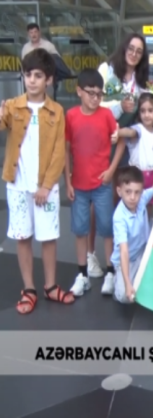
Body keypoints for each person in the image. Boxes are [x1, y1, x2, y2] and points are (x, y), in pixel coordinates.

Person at [0, 49, 73, 314]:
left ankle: (51, 286)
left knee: (49, 237)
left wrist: (46, 185)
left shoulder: (56, 111)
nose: (32, 80)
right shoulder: (13, 106)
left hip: (47, 187)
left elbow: (57, 152)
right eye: (28, 74)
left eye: (38, 75)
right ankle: (29, 288)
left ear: (49, 80)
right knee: (22, 237)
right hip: (18, 185)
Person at [90, 33, 150, 269]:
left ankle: (116, 251)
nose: (134, 53)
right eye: (131, 48)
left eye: (139, 51)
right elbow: (94, 102)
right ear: (124, 47)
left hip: (124, 143)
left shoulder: (140, 80)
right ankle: (90, 253)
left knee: (117, 195)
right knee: (98, 196)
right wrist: (118, 107)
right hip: (101, 139)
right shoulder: (107, 69)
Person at [65, 69, 121, 297]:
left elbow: (120, 141)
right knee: (80, 230)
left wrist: (111, 170)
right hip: (78, 185)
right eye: (90, 93)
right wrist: (67, 180)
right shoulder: (70, 116)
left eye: (99, 94)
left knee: (107, 229)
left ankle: (110, 272)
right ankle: (83, 275)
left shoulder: (107, 116)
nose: (95, 98)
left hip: (102, 184)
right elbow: (66, 149)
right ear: (79, 91)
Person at [112, 148, 153, 304]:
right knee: (125, 297)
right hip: (127, 259)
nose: (133, 197)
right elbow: (124, 251)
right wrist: (127, 284)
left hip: (143, 251)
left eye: (137, 192)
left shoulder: (141, 199)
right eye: (128, 192)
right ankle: (119, 278)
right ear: (119, 191)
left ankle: (146, 273)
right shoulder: (119, 217)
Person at [114, 93, 153, 218]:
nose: (147, 115)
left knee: (147, 210)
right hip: (134, 176)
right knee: (131, 207)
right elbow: (130, 132)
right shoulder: (138, 129)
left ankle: (144, 234)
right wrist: (118, 131)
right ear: (139, 114)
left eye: (150, 111)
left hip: (151, 179)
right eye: (143, 111)